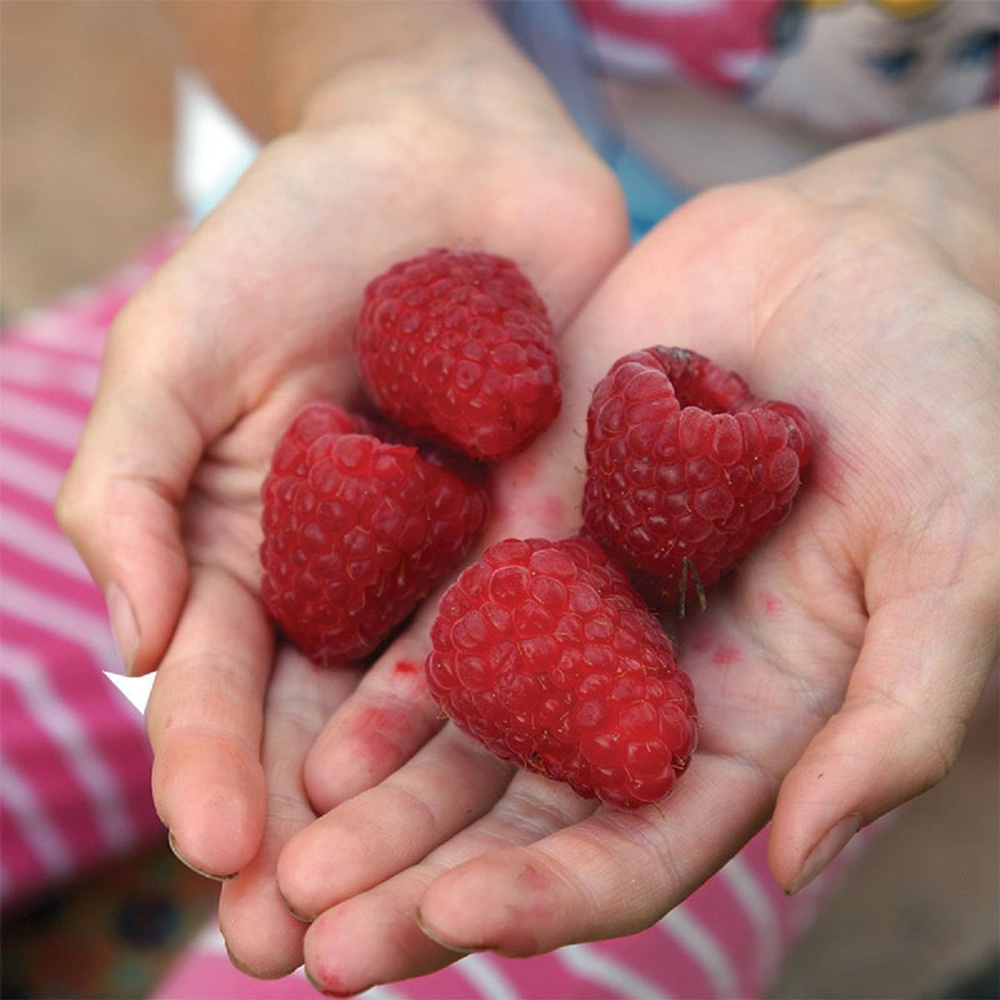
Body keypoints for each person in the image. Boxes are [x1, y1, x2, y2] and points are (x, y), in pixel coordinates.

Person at [55, 0, 998, 995]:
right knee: (97, 640)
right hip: (302, 312)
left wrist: (956, 210)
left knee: (427, 938)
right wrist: (387, 74)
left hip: (882, 304)